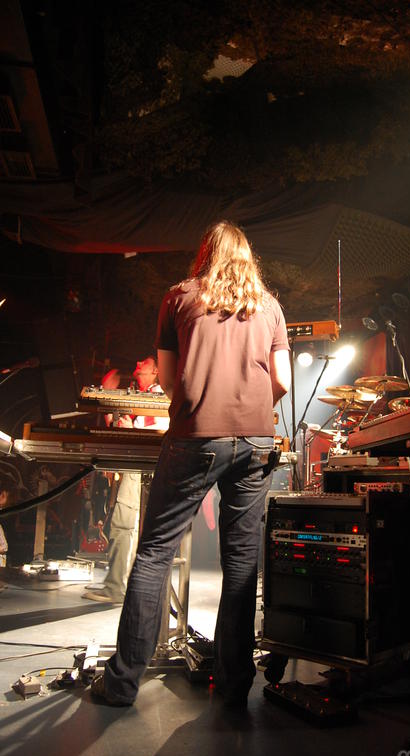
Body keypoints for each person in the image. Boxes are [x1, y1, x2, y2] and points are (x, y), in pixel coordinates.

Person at [91, 220, 290, 707]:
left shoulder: (179, 297)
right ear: (247, 257)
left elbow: (165, 377)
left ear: (205, 254)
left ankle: (122, 683)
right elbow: (282, 380)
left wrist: (197, 403)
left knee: (154, 553)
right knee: (241, 564)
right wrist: (252, 412)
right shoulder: (269, 306)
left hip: (196, 435)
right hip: (257, 441)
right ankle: (235, 686)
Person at [83, 358, 168, 604]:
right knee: (125, 525)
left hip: (143, 468)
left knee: (123, 525)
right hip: (138, 467)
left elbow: (159, 430)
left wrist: (130, 425)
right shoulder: (146, 395)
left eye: (145, 361)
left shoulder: (157, 395)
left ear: (156, 371)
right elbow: (121, 430)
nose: (139, 361)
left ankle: (115, 588)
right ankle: (119, 584)